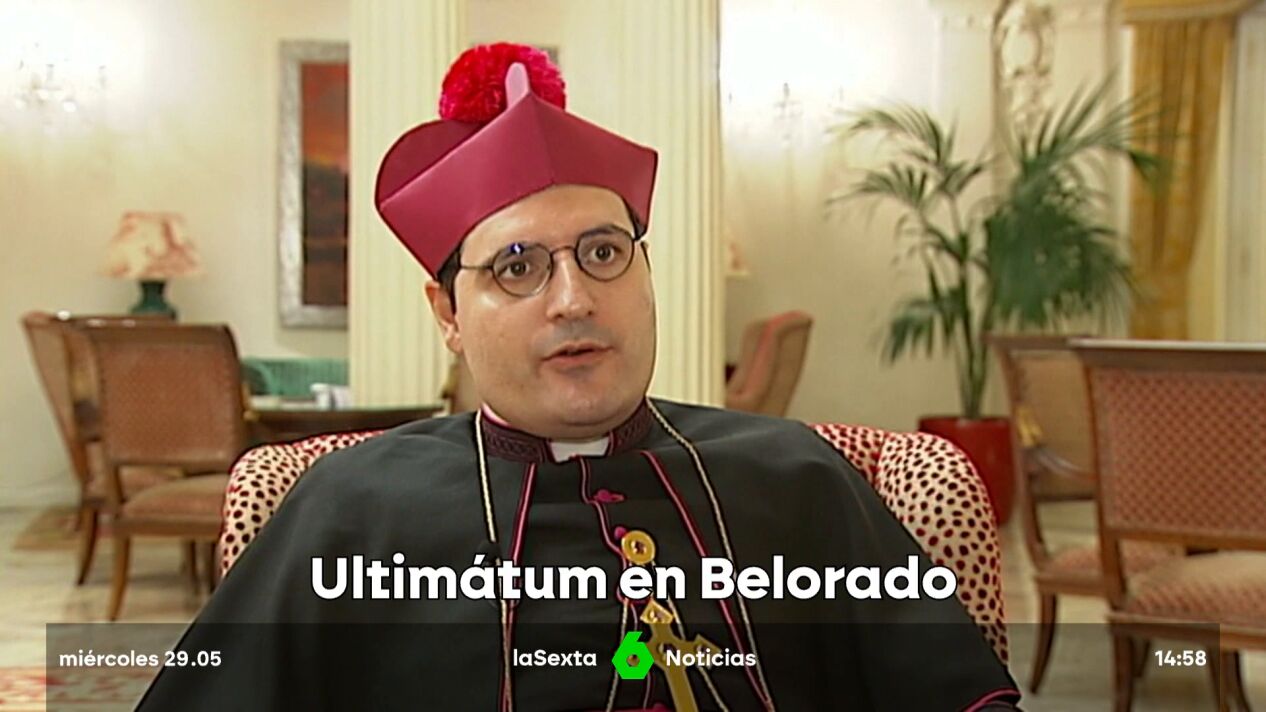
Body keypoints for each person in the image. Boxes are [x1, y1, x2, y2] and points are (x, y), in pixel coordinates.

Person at [137, 43, 1020, 711]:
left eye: (603, 253)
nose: (573, 300)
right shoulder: (347, 507)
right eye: (517, 267)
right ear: (448, 314)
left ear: (645, 274)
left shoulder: (798, 476)